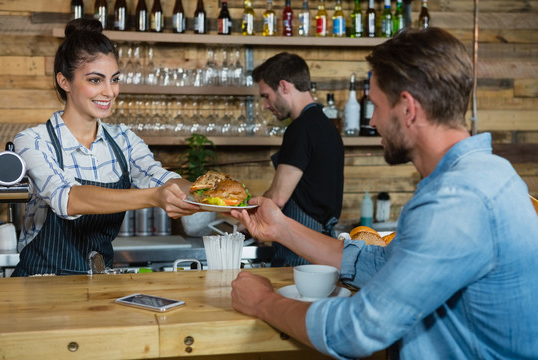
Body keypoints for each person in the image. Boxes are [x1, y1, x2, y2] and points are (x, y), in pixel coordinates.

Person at [230, 27, 538, 359]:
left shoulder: (457, 200)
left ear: (408, 108)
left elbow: (356, 330)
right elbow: (379, 265)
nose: (372, 120)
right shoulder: (489, 173)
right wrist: (280, 228)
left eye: (375, 104)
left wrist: (263, 302)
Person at [12, 19, 199, 277]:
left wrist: (218, 198)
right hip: (41, 284)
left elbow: (164, 179)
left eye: (114, 80)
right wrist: (154, 196)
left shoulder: (124, 140)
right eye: (95, 80)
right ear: (64, 81)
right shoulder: (34, 141)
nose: (110, 92)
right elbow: (68, 199)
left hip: (98, 286)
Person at [252, 52, 344, 267]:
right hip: (320, 243)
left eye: (266, 95)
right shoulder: (326, 125)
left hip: (300, 249)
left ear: (284, 86)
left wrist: (245, 216)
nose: (265, 105)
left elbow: (277, 198)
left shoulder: (301, 129)